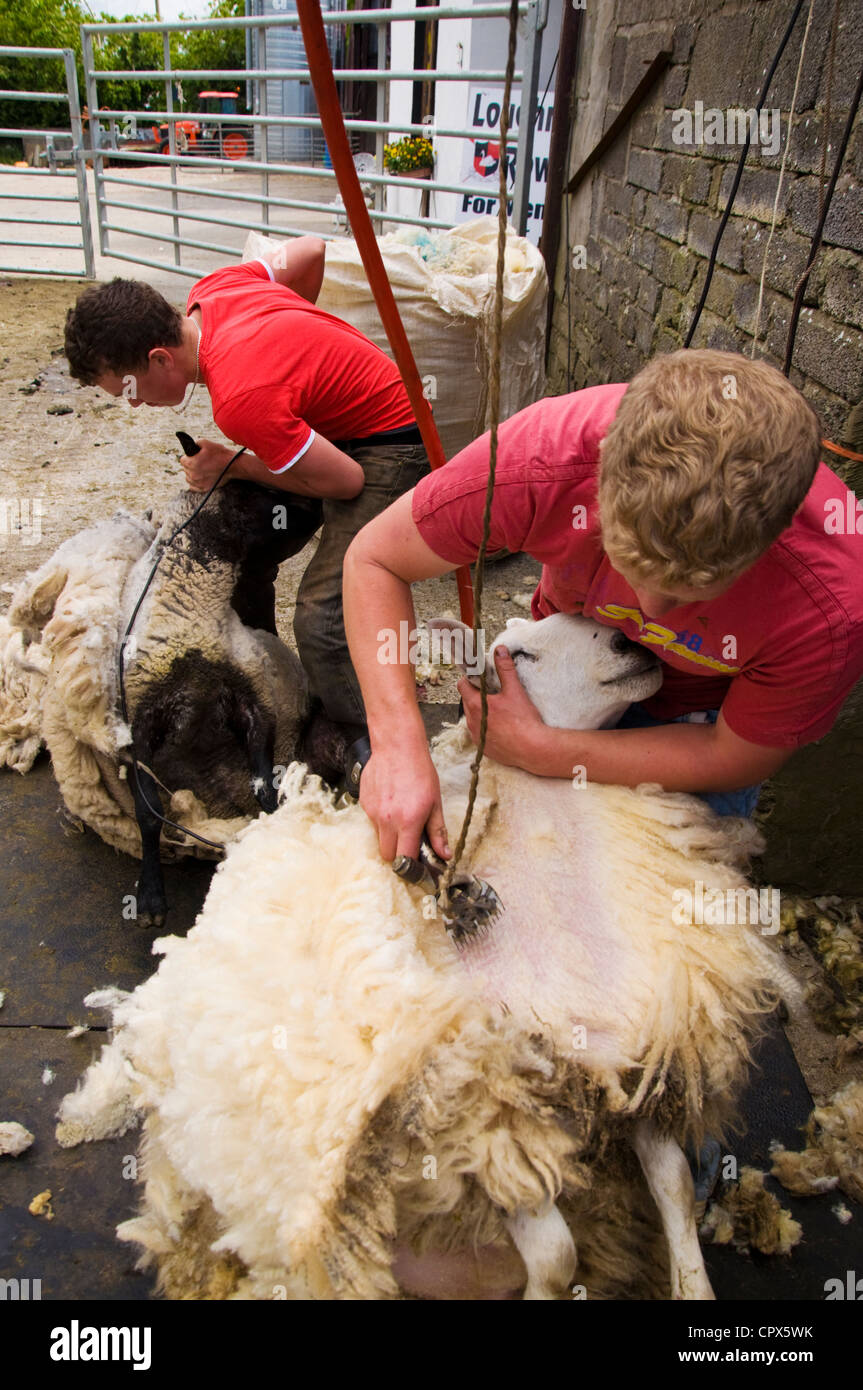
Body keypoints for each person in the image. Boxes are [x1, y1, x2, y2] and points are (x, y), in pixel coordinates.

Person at [342, 348, 863, 864]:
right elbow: (375, 560)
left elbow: (733, 754)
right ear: (600, 481)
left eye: (689, 593)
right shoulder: (541, 463)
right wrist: (397, 747)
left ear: (771, 539)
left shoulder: (829, 607)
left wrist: (543, 751)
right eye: (630, 565)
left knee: (673, 901)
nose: (652, 613)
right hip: (573, 672)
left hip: (695, 727)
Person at [63, 237, 429, 734]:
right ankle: (269, 687)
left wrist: (235, 463)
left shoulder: (240, 398)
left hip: (394, 445)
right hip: (346, 428)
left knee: (322, 619)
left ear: (160, 359)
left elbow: (346, 481)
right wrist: (294, 345)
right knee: (243, 548)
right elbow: (311, 251)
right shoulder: (213, 291)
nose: (133, 404)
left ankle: (367, 739)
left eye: (129, 389)